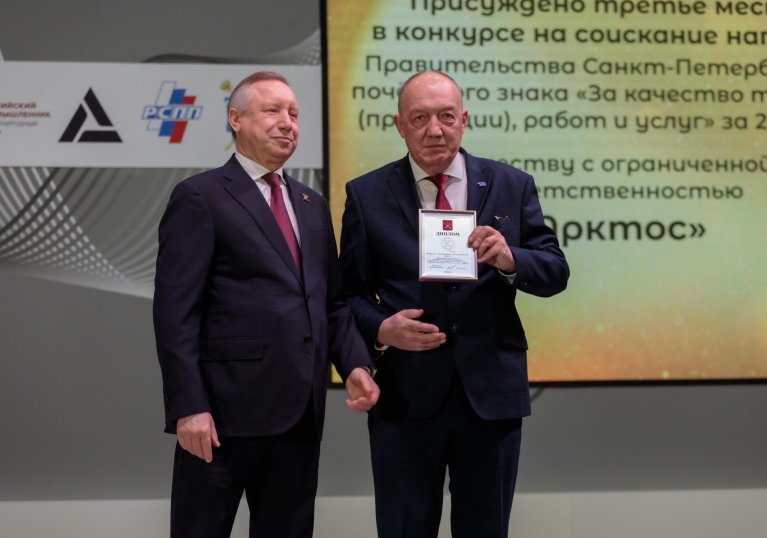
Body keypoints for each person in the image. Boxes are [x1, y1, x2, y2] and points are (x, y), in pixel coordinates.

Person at [339, 70, 569, 538]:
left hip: (490, 395)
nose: (435, 130)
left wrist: (510, 259)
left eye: (446, 117)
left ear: (464, 120)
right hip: (405, 397)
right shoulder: (366, 194)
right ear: (399, 125)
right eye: (419, 118)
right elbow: (347, 296)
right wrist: (382, 328)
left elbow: (555, 271)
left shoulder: (511, 184)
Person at [153, 71, 379, 538]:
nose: (287, 122)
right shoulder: (200, 197)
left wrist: (355, 364)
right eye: (272, 110)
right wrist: (188, 406)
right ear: (235, 119)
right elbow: (176, 314)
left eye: (294, 114)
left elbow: (331, 303)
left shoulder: (312, 203)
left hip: (299, 418)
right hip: (221, 418)